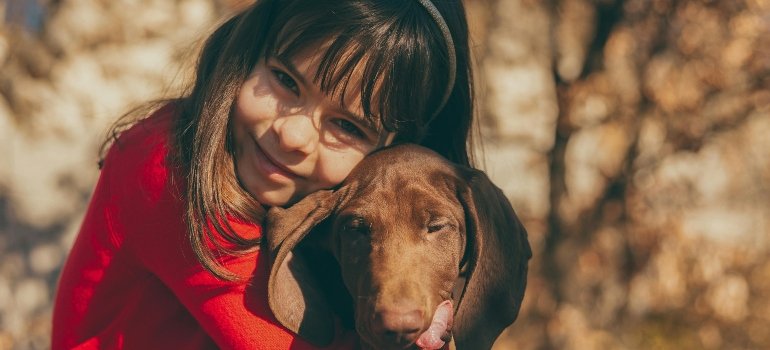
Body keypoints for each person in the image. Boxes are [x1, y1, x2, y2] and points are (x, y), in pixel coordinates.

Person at [52, 0, 477, 348]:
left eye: (347, 126)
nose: (292, 135)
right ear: (250, 49)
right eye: (284, 80)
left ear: (393, 151)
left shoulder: (329, 213)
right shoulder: (168, 165)